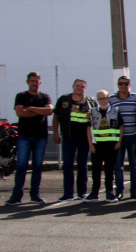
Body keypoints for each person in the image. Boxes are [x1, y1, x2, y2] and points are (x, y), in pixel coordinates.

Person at [6, 71, 53, 206]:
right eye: (32, 81)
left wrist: (31, 108)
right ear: (28, 82)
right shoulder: (21, 96)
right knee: (21, 166)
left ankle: (35, 195)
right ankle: (16, 196)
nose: (34, 83)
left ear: (40, 82)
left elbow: (49, 111)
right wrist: (39, 111)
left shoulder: (45, 97)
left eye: (36, 81)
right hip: (25, 136)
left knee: (37, 166)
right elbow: (20, 112)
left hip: (40, 137)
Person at [52, 78, 94, 202]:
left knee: (82, 165)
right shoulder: (64, 99)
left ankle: (82, 192)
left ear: (85, 89)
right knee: (68, 165)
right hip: (68, 136)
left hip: (84, 138)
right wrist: (55, 133)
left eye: (82, 86)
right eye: (77, 85)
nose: (79, 88)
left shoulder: (91, 101)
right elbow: (56, 117)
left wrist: (91, 115)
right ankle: (68, 193)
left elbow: (97, 116)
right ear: (73, 86)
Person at [109, 75, 136, 200]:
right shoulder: (111, 99)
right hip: (118, 138)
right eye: (121, 83)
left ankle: (134, 191)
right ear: (118, 85)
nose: (123, 86)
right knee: (118, 166)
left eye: (126, 83)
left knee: (135, 165)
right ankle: (119, 191)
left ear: (130, 85)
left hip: (133, 136)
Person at [86, 90, 121, 202]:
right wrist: (90, 144)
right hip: (97, 146)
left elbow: (121, 127)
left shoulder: (115, 111)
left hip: (111, 146)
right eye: (100, 99)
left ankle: (109, 192)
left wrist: (119, 142)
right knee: (96, 169)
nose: (102, 101)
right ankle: (94, 192)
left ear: (108, 99)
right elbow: (88, 128)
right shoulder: (92, 112)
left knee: (110, 170)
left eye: (104, 98)